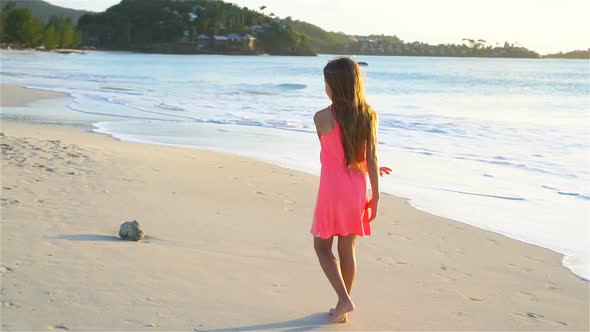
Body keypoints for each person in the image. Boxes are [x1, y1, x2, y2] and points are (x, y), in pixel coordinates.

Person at [311, 57, 390, 323]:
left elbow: (330, 152)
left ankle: (344, 300)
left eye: (326, 82)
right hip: (358, 187)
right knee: (348, 248)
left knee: (322, 247)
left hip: (332, 187)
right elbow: (370, 158)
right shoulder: (369, 115)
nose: (325, 87)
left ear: (333, 85)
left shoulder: (321, 117)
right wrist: (376, 196)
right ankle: (341, 306)